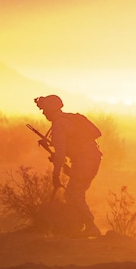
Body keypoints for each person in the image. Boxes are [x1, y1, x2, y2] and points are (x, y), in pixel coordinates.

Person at [35, 94, 102, 237]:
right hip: (90, 158)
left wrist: (56, 174)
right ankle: (82, 225)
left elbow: (60, 153)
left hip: (85, 160)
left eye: (45, 109)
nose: (43, 112)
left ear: (51, 109)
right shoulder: (68, 119)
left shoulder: (59, 125)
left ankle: (90, 225)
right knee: (75, 193)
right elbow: (68, 146)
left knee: (73, 194)